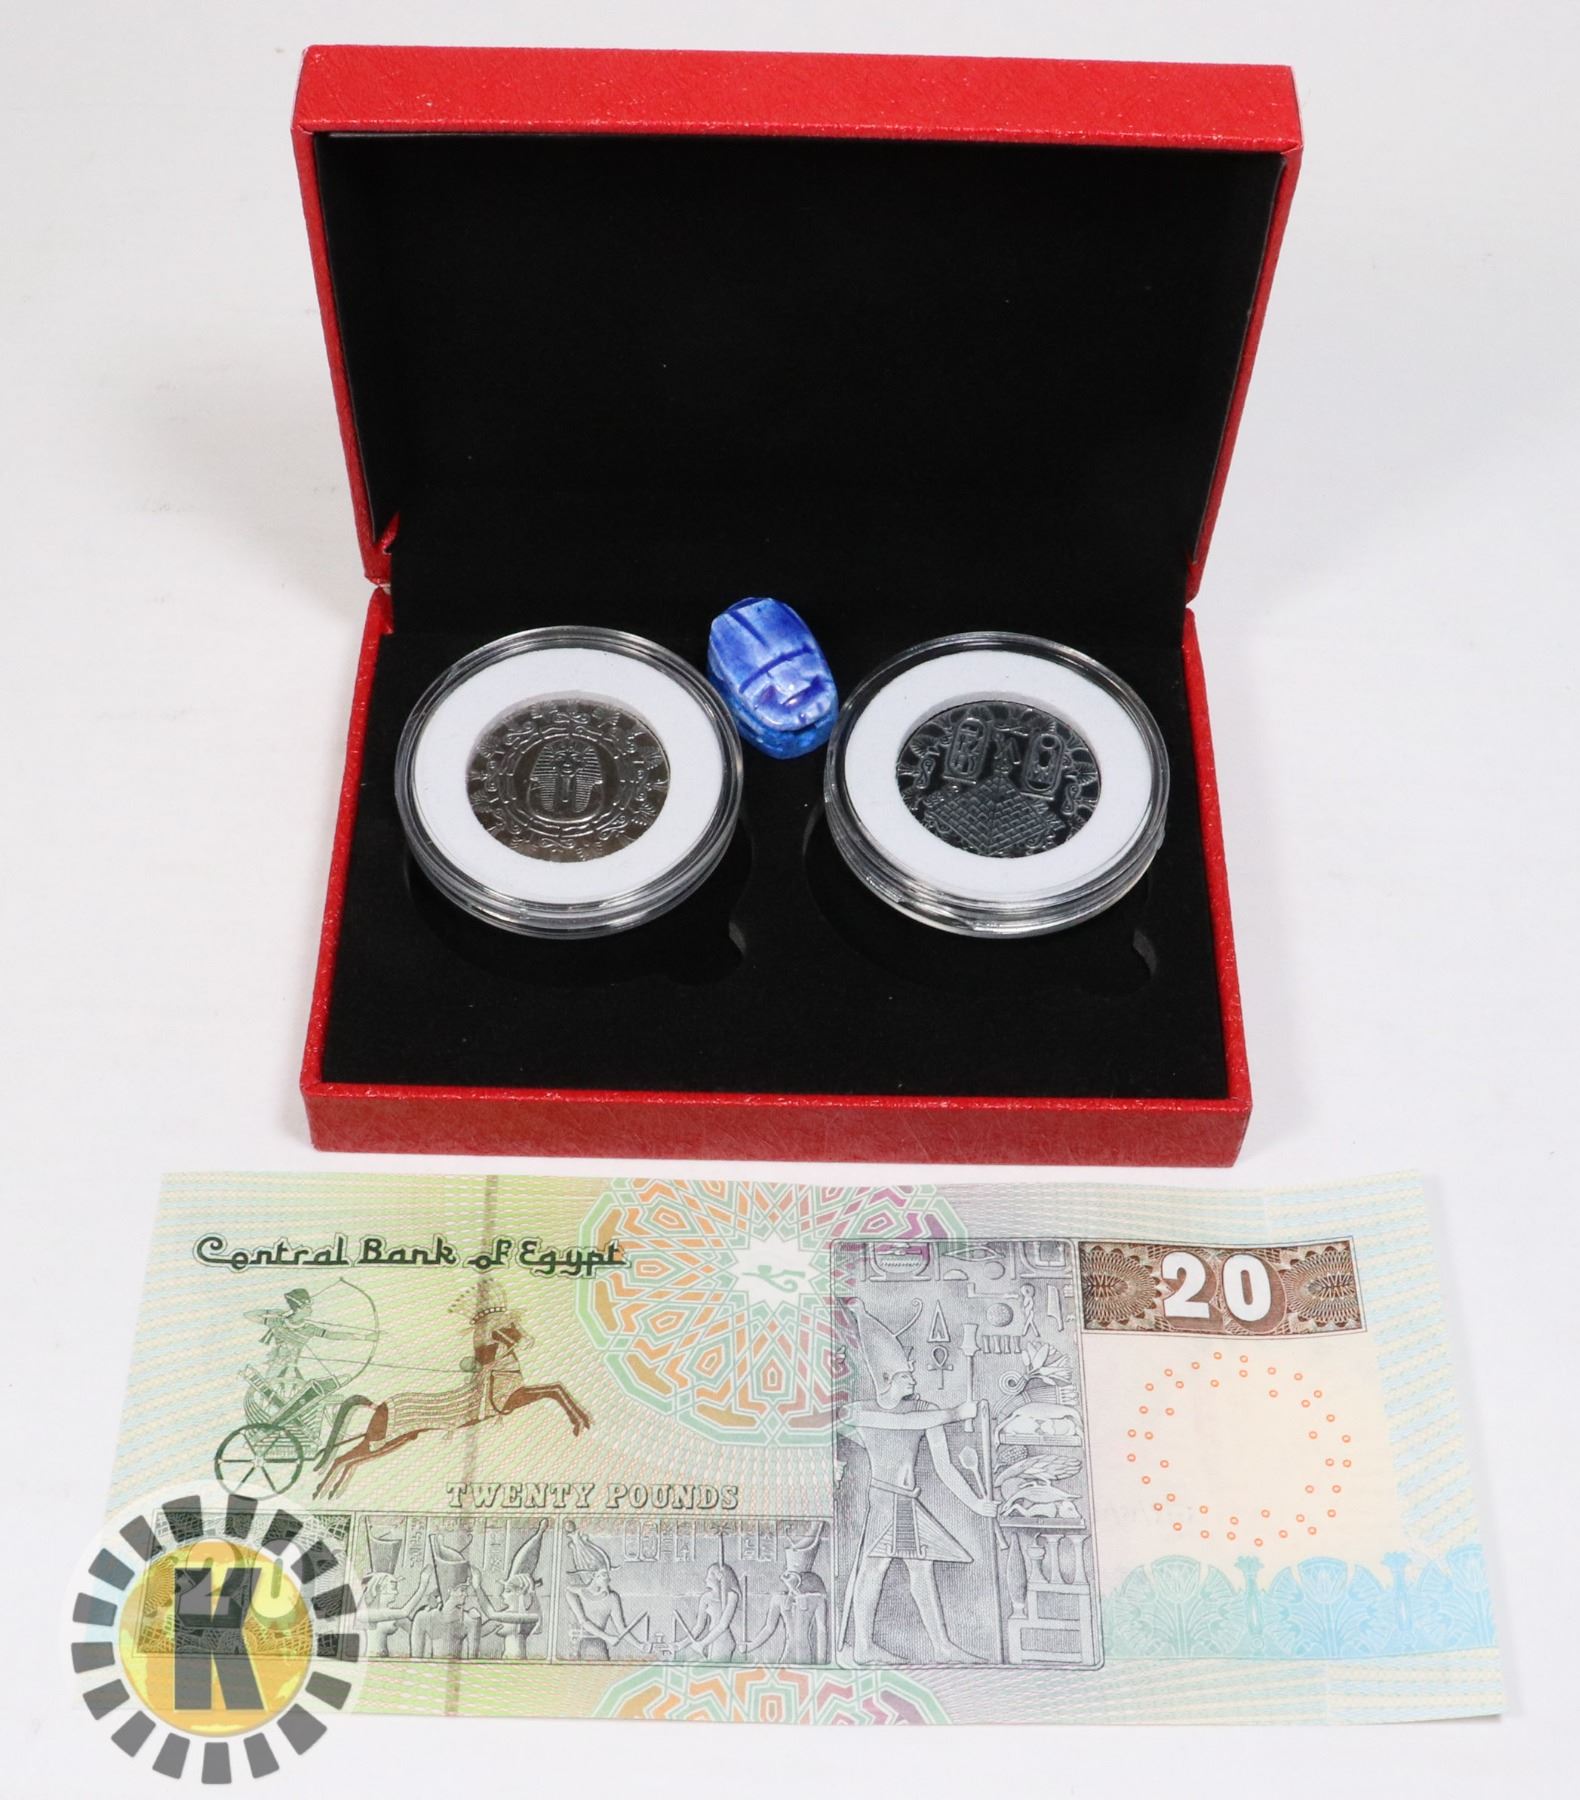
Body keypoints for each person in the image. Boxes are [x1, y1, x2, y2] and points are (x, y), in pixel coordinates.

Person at [844, 1301, 998, 1666]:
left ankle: (942, 1646)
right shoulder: (863, 1412)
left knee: (921, 1569)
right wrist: (954, 1413)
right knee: (874, 1568)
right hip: (884, 1502)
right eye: (904, 1374)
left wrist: (977, 1504)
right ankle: (863, 1647)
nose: (913, 1376)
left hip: (908, 1503)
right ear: (885, 1378)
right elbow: (896, 1425)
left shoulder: (924, 1410)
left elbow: (946, 1468)